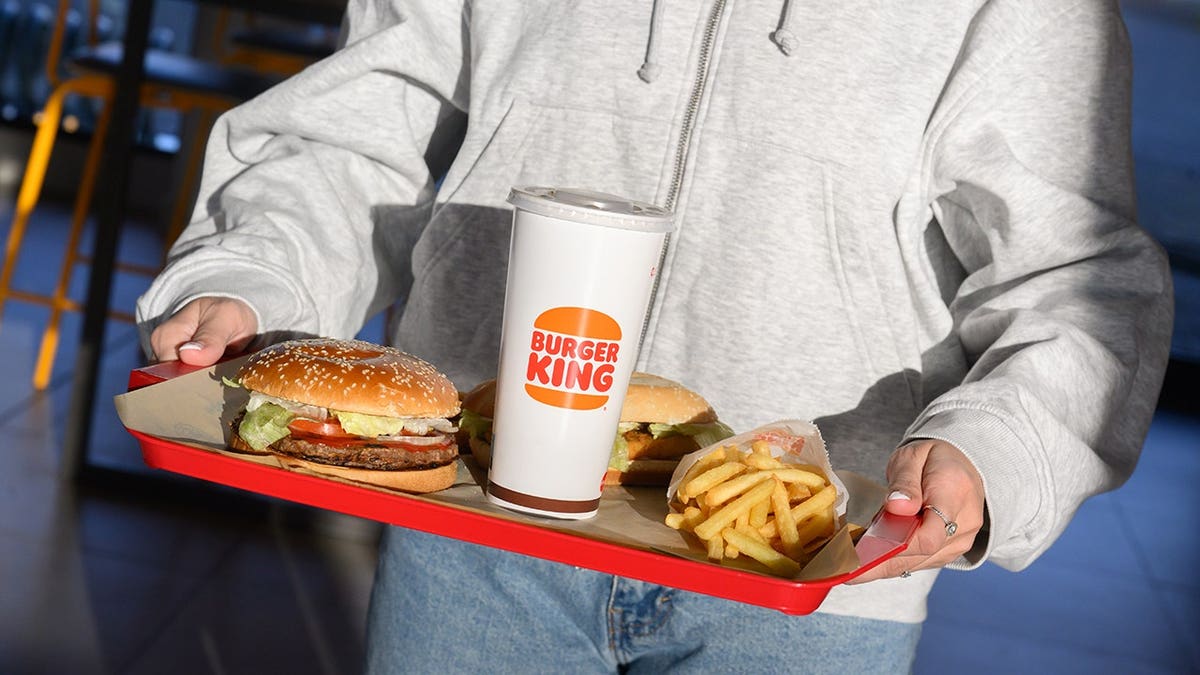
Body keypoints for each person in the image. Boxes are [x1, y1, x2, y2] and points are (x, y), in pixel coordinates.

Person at [137, 1, 1173, 672]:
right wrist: (251, 272)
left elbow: (1077, 275)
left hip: (802, 584)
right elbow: (361, 128)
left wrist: (998, 446)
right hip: (477, 540)